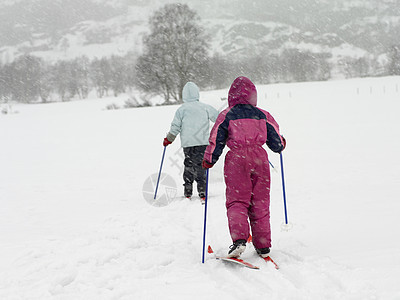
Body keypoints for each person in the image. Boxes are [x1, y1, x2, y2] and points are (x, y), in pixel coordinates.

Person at [202, 76, 286, 258]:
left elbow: (216, 139)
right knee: (260, 201)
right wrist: (280, 144)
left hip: (237, 160)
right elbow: (276, 142)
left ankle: (239, 240)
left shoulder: (227, 114)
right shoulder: (263, 115)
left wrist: (209, 159)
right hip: (260, 159)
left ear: (231, 95)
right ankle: (263, 244)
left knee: (237, 200)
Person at [163, 82, 218, 200]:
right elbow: (218, 119)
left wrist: (169, 139)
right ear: (197, 93)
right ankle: (202, 190)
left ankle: (188, 190)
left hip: (188, 144)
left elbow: (175, 126)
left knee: (188, 164)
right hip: (202, 142)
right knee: (200, 165)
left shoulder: (181, 110)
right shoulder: (205, 107)